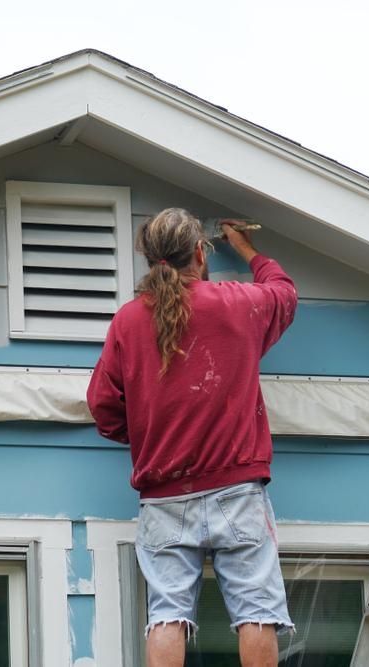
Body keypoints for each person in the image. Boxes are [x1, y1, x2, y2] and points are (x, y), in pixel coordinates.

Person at [86, 207, 299, 667]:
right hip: (237, 490)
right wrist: (248, 251)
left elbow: (103, 407)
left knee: (167, 614)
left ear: (149, 259)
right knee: (256, 612)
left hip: (163, 497)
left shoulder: (127, 321)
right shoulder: (239, 304)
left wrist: (149, 433)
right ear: (200, 253)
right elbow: (283, 293)